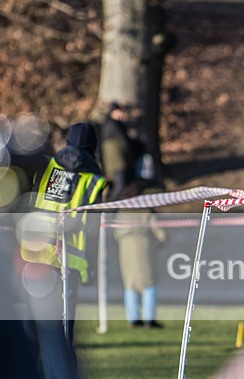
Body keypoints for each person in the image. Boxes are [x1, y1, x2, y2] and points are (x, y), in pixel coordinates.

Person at [19, 122, 108, 345]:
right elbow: (91, 229)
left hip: (35, 253)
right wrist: (91, 269)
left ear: (67, 143)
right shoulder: (94, 180)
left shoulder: (47, 166)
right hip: (69, 260)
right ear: (93, 148)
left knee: (34, 324)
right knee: (63, 332)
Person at [113, 179, 167, 329]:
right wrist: (161, 243)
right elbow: (161, 233)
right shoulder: (146, 212)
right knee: (149, 284)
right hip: (145, 249)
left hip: (125, 251)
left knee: (130, 284)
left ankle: (133, 319)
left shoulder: (120, 213)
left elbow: (116, 233)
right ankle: (149, 319)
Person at [100, 102, 141, 200]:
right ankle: (110, 211)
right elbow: (125, 143)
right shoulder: (113, 125)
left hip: (115, 163)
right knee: (119, 187)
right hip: (118, 163)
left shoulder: (110, 125)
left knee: (116, 186)